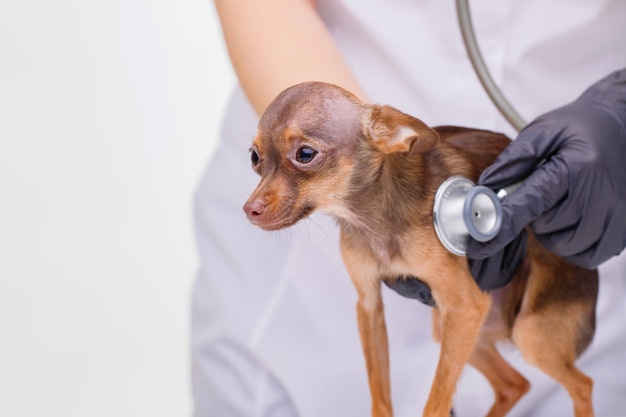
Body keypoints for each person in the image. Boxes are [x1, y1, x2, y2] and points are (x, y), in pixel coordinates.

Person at [192, 1, 626, 416]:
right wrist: (349, 146)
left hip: (576, 202)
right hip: (301, 311)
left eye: (304, 154)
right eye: (257, 160)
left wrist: (620, 111)